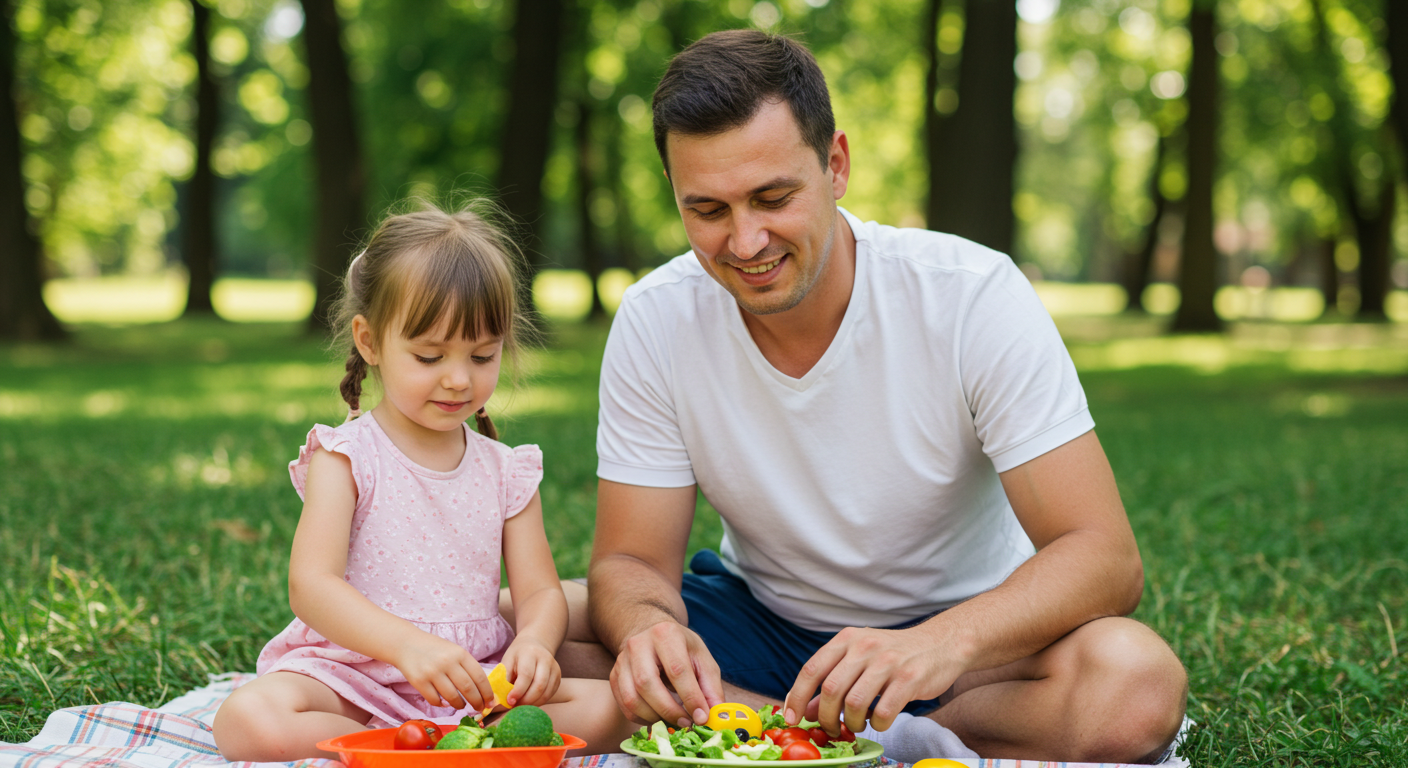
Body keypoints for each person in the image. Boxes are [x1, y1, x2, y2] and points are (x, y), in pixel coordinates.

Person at [577, 30, 1189, 764]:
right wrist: (649, 629)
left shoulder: (970, 296)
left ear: (835, 165)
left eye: (773, 197)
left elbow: (1104, 556)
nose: (744, 243)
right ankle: (860, 735)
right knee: (511, 622)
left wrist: (937, 645)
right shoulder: (656, 318)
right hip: (759, 624)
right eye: (707, 210)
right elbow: (632, 560)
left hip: (969, 648)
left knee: (1136, 684)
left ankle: (794, 730)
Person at [212, 203, 634, 761]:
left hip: (476, 689)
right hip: (353, 680)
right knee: (248, 720)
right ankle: (414, 748)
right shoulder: (347, 456)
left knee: (625, 708)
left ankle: (417, 750)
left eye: (483, 355)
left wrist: (534, 642)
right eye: (429, 355)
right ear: (369, 342)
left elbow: (538, 592)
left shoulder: (505, 469)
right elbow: (311, 584)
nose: (459, 379)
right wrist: (407, 647)